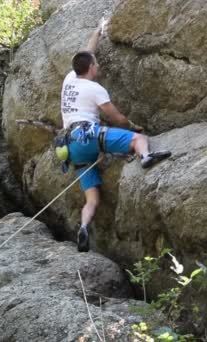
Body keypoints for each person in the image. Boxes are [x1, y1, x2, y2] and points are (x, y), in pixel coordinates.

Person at [61, 20, 171, 252]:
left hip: (71, 146)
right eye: (96, 64)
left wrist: (97, 31)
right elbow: (116, 118)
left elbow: (87, 51)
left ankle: (83, 227)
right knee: (136, 140)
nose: (98, 65)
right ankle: (145, 157)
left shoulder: (69, 80)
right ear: (90, 68)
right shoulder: (94, 88)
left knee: (92, 199)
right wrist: (133, 127)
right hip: (89, 135)